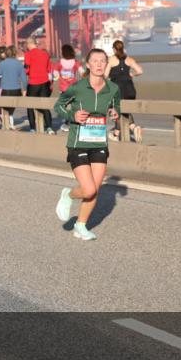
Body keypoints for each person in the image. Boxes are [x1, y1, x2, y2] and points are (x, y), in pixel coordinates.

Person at [53, 48, 121, 241]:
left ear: (106, 64)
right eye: (95, 61)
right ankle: (67, 194)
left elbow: (116, 105)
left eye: (103, 61)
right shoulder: (77, 87)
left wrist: (115, 112)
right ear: (88, 65)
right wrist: (71, 115)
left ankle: (80, 226)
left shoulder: (113, 88)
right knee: (88, 189)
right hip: (78, 143)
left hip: (99, 142)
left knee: (95, 189)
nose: (99, 64)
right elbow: (58, 106)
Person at [107, 40, 144, 142]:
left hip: (117, 90)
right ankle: (118, 132)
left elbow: (105, 75)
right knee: (124, 110)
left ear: (114, 49)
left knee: (115, 110)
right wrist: (132, 74)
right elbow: (140, 71)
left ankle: (131, 128)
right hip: (129, 89)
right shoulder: (129, 59)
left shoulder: (111, 60)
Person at [23, 37, 54, 134]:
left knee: (30, 106)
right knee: (44, 105)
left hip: (33, 83)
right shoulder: (45, 54)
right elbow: (49, 69)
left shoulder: (28, 54)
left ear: (28, 45)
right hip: (45, 82)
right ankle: (49, 127)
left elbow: (26, 69)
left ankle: (32, 128)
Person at [53, 44, 84, 133]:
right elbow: (82, 72)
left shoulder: (59, 63)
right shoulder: (75, 62)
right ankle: (72, 122)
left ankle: (66, 122)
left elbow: (55, 74)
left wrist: (57, 77)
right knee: (75, 106)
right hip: (74, 88)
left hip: (63, 89)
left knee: (61, 106)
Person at [0, 47, 27, 130]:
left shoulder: (2, 64)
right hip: (17, 90)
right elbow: (24, 79)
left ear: (6, 54)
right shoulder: (19, 63)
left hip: (5, 89)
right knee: (11, 110)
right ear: (14, 53)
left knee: (0, 109)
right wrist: (24, 90)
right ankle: (11, 125)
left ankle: (5, 124)